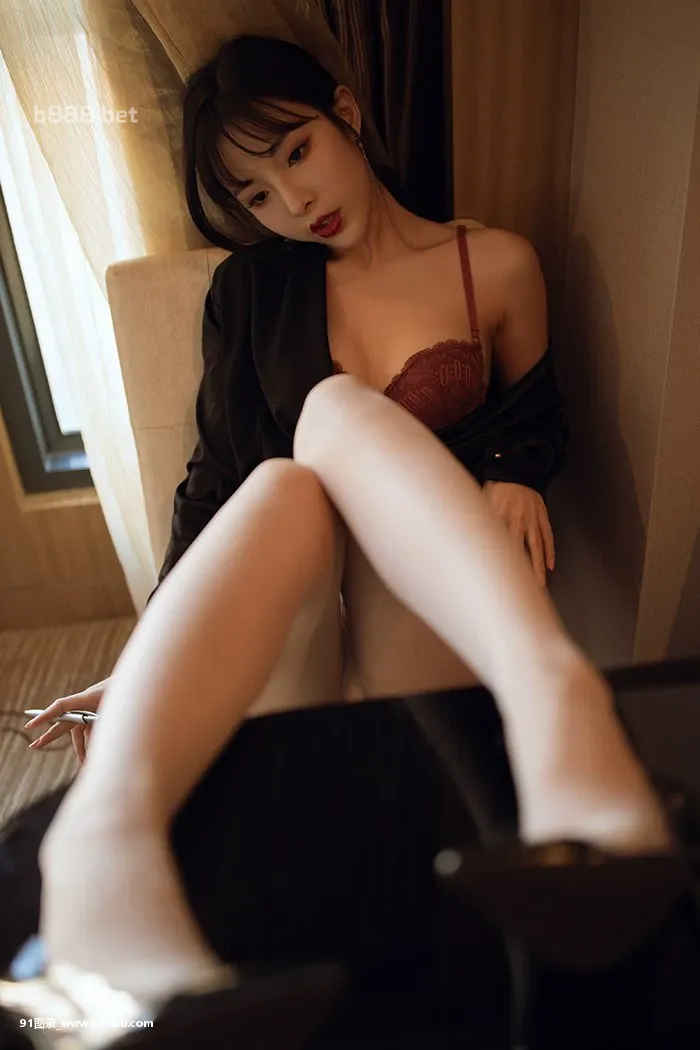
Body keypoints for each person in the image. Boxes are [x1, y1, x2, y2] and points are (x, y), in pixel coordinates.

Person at [16, 34, 697, 1048]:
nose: (293, 202)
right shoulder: (251, 294)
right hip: (288, 614)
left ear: (345, 113)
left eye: (296, 152)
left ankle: (98, 851)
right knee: (290, 474)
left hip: (417, 613)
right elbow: (213, 483)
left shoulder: (494, 261)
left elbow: (537, 413)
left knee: (327, 421)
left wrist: (514, 472)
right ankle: (557, 701)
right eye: (255, 195)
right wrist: (150, 653)